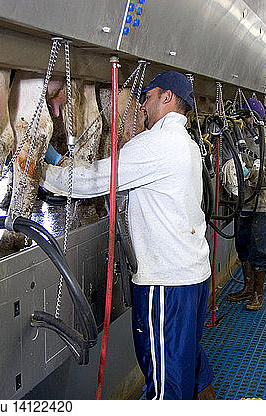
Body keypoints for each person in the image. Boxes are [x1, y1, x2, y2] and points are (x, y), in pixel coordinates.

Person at [41, 71, 214, 400]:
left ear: (167, 97)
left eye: (147, 97)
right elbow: (134, 188)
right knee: (188, 361)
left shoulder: (156, 143)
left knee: (166, 387)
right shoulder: (188, 145)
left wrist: (41, 171)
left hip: (168, 284)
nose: (142, 106)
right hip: (194, 275)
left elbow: (96, 179)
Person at [226, 97, 266, 311]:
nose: (243, 121)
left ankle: (259, 293)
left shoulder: (265, 141)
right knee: (242, 247)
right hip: (242, 203)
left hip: (259, 205)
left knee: (259, 250)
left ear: (255, 118)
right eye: (241, 117)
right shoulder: (239, 137)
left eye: (246, 117)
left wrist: (250, 175)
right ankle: (248, 287)